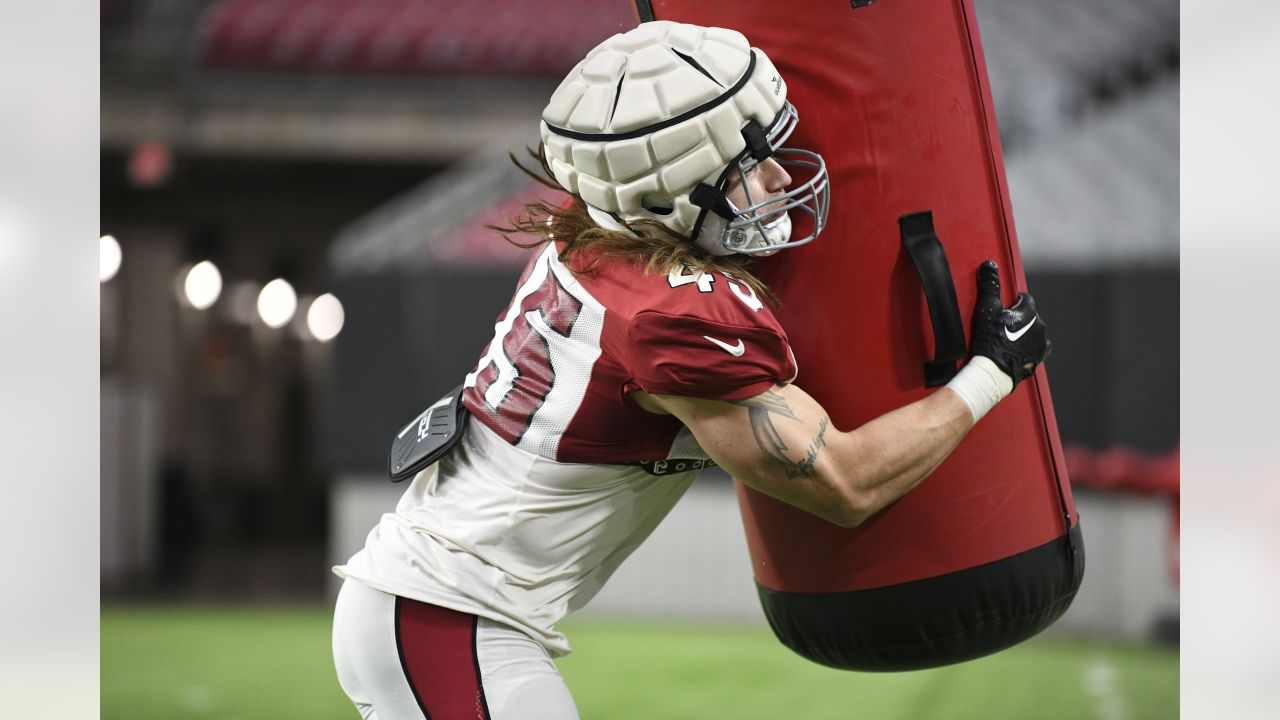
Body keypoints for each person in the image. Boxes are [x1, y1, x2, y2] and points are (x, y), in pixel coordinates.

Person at [331, 20, 1049, 720]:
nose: (776, 176)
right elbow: (848, 483)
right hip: (446, 619)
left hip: (430, 611)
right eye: (744, 170)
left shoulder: (596, 234)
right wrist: (990, 370)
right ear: (668, 196)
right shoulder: (672, 319)